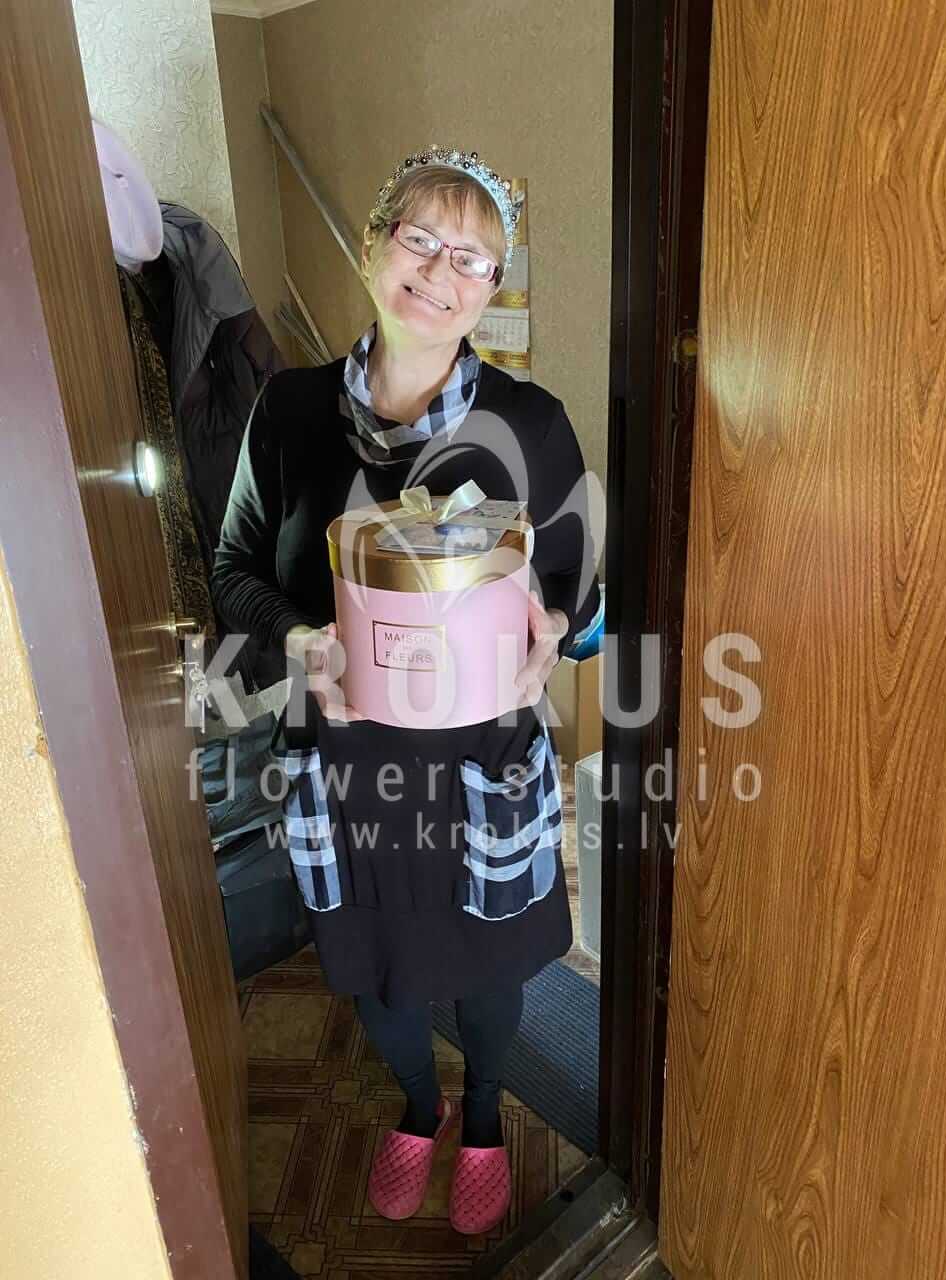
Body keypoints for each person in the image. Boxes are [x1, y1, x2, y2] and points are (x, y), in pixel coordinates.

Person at [211, 143, 601, 1235]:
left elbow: (584, 594)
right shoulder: (287, 411)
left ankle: (483, 1116)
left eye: (472, 257)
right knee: (374, 966)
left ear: (492, 287)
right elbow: (232, 569)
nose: (440, 271)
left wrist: (558, 633)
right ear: (374, 243)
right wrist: (301, 638)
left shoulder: (531, 424)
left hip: (482, 759)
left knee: (487, 963)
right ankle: (419, 1108)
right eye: (420, 239)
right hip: (345, 758)